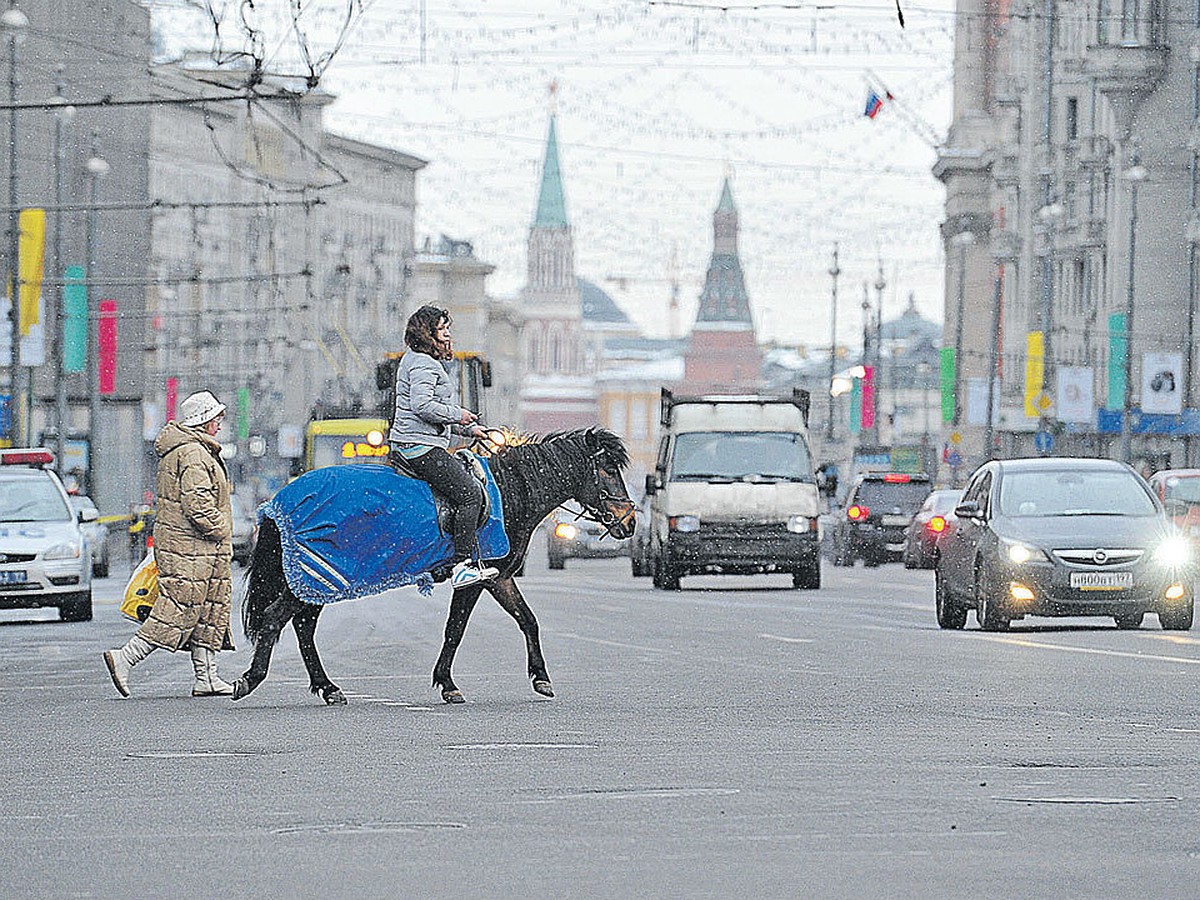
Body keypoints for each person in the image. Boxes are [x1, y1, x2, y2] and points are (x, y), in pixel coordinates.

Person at [103, 390, 236, 698]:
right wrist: (222, 528)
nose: (220, 422)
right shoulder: (193, 453)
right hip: (190, 547)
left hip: (198, 548)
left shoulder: (194, 450)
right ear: (203, 421)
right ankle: (125, 657)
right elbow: (197, 504)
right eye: (216, 417)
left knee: (206, 612)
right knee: (178, 609)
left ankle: (207, 677)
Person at [390, 305, 498, 589]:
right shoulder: (424, 364)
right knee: (471, 495)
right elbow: (422, 406)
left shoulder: (417, 360)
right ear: (428, 333)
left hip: (419, 441)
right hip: (419, 447)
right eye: (442, 328)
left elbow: (434, 415)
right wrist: (458, 414)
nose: (448, 333)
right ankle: (461, 565)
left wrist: (469, 429)